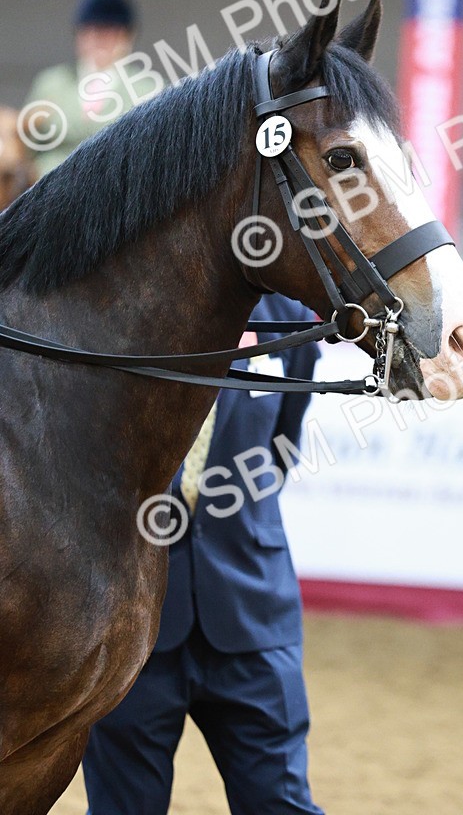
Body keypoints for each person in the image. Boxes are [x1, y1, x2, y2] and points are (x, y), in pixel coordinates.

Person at [83, 292, 325, 815]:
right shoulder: (122, 298)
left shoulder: (288, 319)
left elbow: (281, 449)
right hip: (133, 629)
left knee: (279, 804)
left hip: (254, 619)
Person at [22, 0, 140, 178]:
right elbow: (27, 146)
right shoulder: (51, 83)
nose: (98, 40)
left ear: (126, 37)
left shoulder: (150, 89)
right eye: (91, 31)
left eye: (108, 33)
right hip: (49, 187)